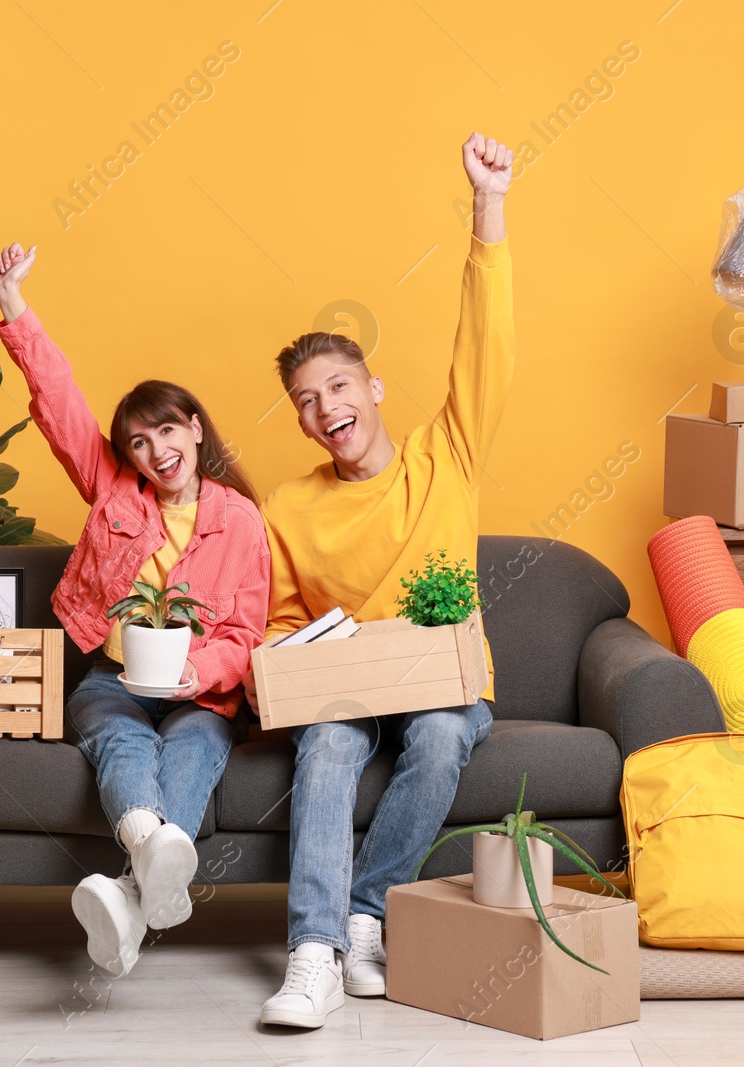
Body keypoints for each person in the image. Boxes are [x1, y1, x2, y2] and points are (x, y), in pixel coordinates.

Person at [252, 132, 516, 1029]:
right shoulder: (290, 505)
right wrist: (300, 648)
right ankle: (313, 951)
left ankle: (369, 912)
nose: (327, 410)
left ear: (376, 386)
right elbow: (283, 622)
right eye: (307, 402)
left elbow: (486, 349)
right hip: (350, 686)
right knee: (326, 745)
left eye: (338, 387)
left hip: (441, 679)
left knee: (443, 735)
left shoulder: (449, 455)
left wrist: (489, 209)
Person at [0, 242, 271, 980]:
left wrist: (195, 675)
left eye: (167, 431)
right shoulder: (114, 492)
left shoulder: (239, 519)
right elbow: (60, 403)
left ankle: (124, 894)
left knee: (191, 748)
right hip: (112, 679)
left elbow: (245, 634)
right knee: (118, 741)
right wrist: (14, 301)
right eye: (139, 443)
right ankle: (148, 846)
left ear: (196, 429)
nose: (155, 450)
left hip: (200, 693)